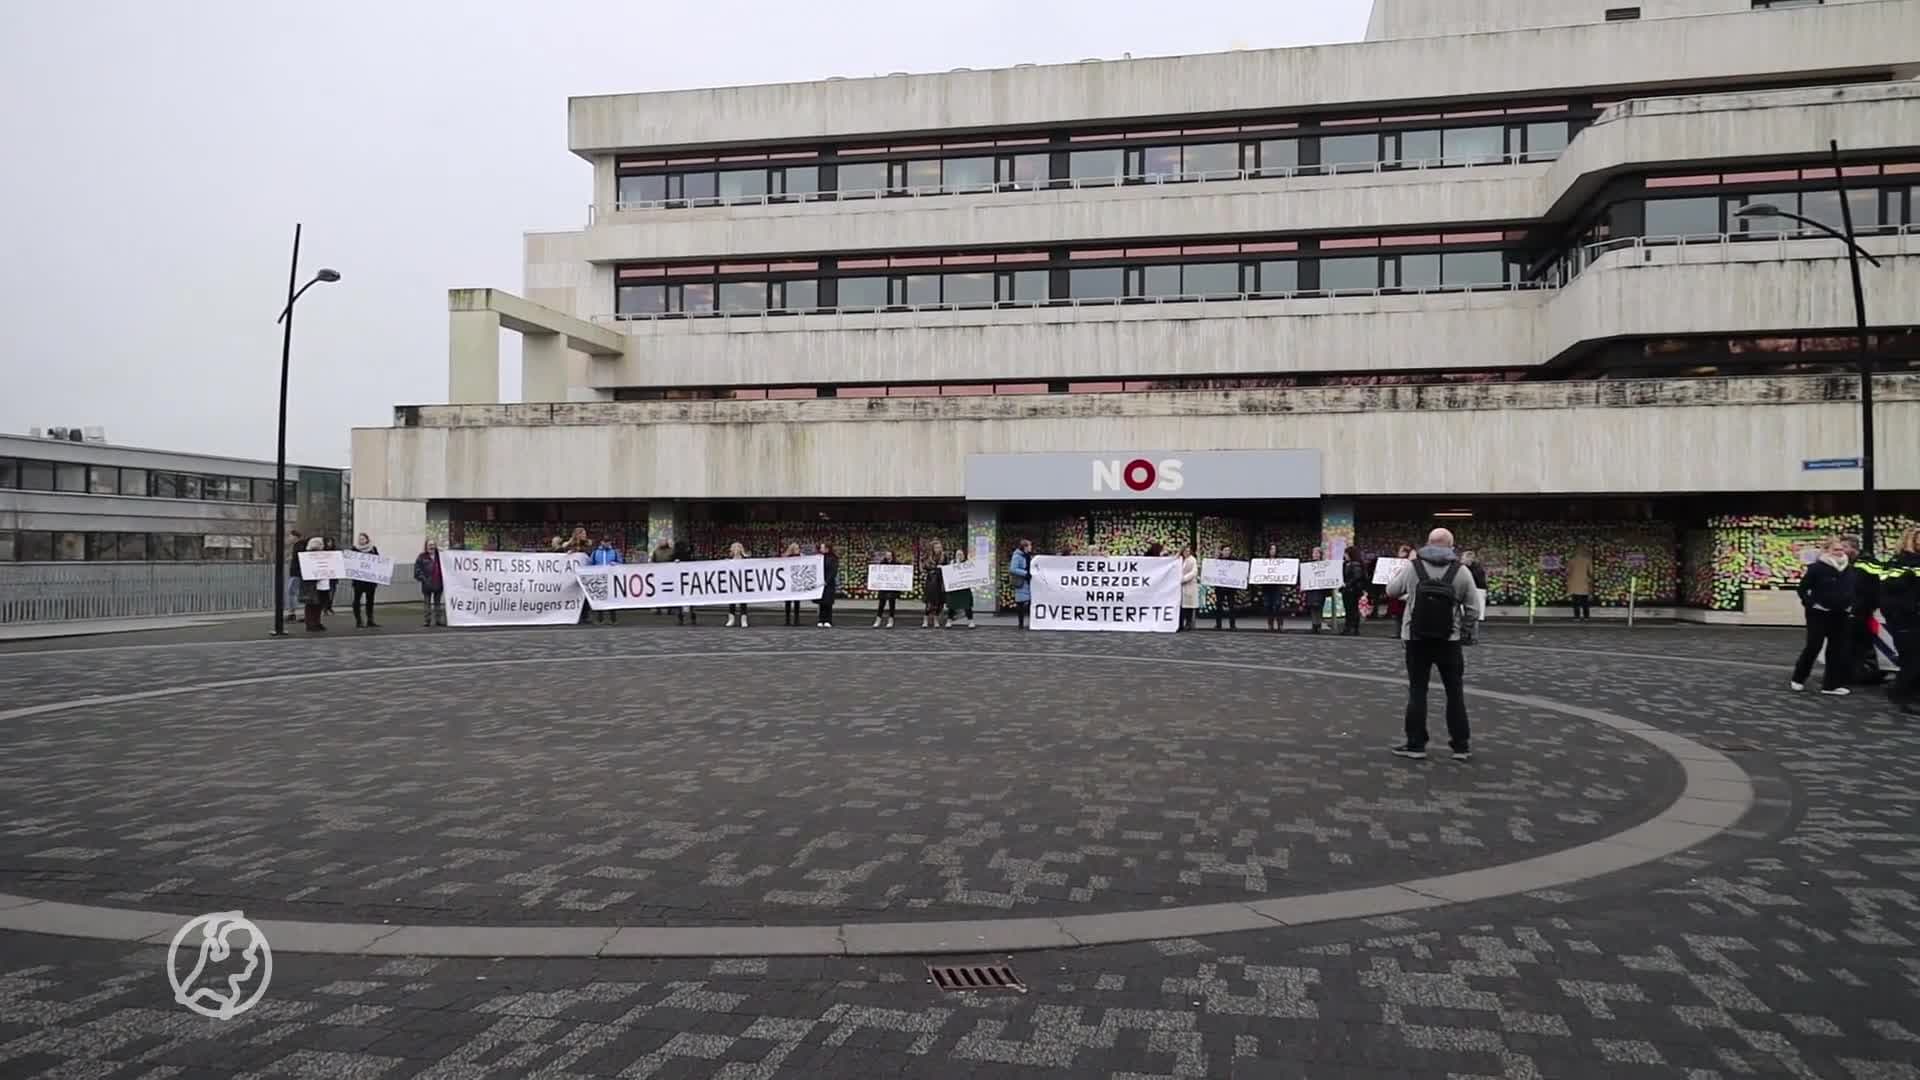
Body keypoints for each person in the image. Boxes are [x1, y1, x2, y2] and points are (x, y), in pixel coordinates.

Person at [1386, 528, 1476, 761]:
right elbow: (1474, 608)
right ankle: (1461, 746)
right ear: (1451, 546)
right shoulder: (1462, 571)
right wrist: (1463, 631)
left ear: (1427, 543)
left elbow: (1391, 591)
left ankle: (1416, 744)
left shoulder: (1413, 568)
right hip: (1449, 640)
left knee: (1418, 691)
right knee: (1455, 692)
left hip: (1416, 639)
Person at [1792, 537, 1857, 695]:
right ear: (1827, 551)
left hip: (1841, 614)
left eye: (1841, 549)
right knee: (1814, 646)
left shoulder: (1849, 569)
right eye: (1836, 549)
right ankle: (1798, 678)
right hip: (1819, 614)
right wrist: (1812, 604)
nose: (1840, 552)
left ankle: (1831, 685)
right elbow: (1802, 589)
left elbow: (1853, 589)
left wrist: (1850, 605)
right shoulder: (1816, 568)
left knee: (1837, 649)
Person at [1880, 527, 1920, 717]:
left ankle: (1908, 693)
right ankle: (1903, 697)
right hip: (1905, 620)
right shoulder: (1898, 563)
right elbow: (1890, 589)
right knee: (1912, 661)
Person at [1840, 535, 1889, 687]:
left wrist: (1861, 607)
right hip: (1856, 610)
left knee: (1861, 644)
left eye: (1844, 548)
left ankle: (1865, 674)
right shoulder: (1851, 564)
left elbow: (1871, 588)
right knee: (1856, 644)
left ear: (1853, 548)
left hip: (1861, 611)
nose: (1841, 551)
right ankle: (1858, 674)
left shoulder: (1866, 564)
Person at [349, 532, 381, 629]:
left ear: (367, 540)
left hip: (370, 580)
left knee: (370, 600)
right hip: (358, 580)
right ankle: (358, 621)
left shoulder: (373, 549)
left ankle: (370, 620)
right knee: (357, 600)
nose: (361, 540)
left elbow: (378, 561)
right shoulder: (354, 549)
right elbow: (351, 562)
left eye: (363, 539)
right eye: (360, 539)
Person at [298, 537, 329, 632]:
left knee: (319, 604)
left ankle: (317, 622)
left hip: (323, 583)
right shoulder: (307, 556)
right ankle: (310, 624)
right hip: (312, 584)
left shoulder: (325, 555)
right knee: (311, 604)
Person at [1460, 549, 1488, 645]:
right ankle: (1471, 637)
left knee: (1472, 614)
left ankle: (1471, 637)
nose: (1462, 560)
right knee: (1474, 615)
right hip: (1479, 591)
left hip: (1476, 591)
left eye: (1463, 558)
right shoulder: (1477, 568)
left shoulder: (1472, 569)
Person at [414, 541, 445, 627]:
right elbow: (417, 570)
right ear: (426, 546)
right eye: (430, 545)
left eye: (433, 545)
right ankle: (427, 620)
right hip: (427, 584)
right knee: (427, 603)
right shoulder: (422, 557)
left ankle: (438, 620)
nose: (431, 547)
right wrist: (424, 579)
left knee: (438, 603)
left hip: (438, 583)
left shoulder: (440, 556)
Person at [1302, 545, 1331, 634]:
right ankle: (1314, 625)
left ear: (1320, 554)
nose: (1314, 554)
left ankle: (1318, 624)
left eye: (1316, 553)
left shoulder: (1324, 564)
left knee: (1319, 606)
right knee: (1312, 607)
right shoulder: (1309, 565)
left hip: (1320, 589)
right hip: (1311, 588)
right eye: (1313, 553)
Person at [921, 540, 948, 628]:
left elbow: (949, 568)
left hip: (941, 581)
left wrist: (943, 567)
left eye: (939, 547)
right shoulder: (929, 557)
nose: (938, 549)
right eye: (936, 547)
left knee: (939, 602)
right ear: (933, 548)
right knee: (929, 601)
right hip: (931, 581)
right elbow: (924, 567)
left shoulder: (944, 557)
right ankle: (925, 619)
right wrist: (934, 568)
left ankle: (936, 619)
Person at [1212, 544, 1239, 630]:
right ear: (1222, 551)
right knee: (1219, 606)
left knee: (1231, 606)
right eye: (1225, 550)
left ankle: (1232, 625)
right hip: (1220, 587)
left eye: (1228, 550)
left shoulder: (1234, 560)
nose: (1227, 552)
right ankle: (1218, 624)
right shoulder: (1218, 560)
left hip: (1231, 587)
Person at [1341, 546, 1366, 636]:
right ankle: (1351, 628)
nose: (1344, 555)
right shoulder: (1348, 564)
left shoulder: (1355, 564)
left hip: (1352, 590)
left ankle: (1351, 628)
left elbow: (1357, 577)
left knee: (1351, 609)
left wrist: (1347, 584)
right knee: (1350, 609)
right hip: (1350, 590)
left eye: (1346, 553)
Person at [1385, 544, 1413, 624]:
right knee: (1398, 612)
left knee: (1402, 611)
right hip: (1398, 589)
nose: (1399, 553)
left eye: (1401, 551)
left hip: (1403, 589)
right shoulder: (1397, 562)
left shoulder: (1409, 564)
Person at [1260, 543, 1286, 632]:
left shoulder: (1280, 561)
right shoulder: (1263, 562)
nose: (1273, 551)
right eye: (1271, 549)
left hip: (1277, 587)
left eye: (1274, 549)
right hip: (1267, 587)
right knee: (1268, 606)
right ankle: (1270, 625)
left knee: (1278, 606)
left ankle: (1280, 625)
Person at [673, 539, 698, 625]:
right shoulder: (688, 555)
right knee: (690, 600)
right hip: (688, 579)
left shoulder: (675, 555)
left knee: (680, 600)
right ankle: (692, 616)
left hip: (680, 580)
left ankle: (681, 618)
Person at [725, 541, 751, 627]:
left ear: (741, 549)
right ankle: (731, 619)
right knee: (732, 601)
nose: (736, 549)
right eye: (734, 547)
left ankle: (743, 619)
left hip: (743, 583)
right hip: (732, 583)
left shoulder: (746, 560)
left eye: (738, 547)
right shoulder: (728, 561)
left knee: (743, 602)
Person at [1009, 539, 1034, 628]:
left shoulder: (1029, 556)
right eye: (1030, 545)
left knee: (1030, 602)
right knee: (1020, 603)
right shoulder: (1017, 556)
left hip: (1029, 581)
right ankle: (1021, 623)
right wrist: (1025, 573)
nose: (1031, 547)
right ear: (1025, 547)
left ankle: (1032, 622)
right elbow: (1013, 569)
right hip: (1021, 581)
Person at [780, 542, 806, 626]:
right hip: (788, 581)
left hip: (797, 581)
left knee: (797, 601)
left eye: (798, 548)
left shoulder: (801, 557)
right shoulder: (787, 558)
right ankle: (787, 619)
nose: (798, 550)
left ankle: (796, 619)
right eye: (796, 549)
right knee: (788, 601)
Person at [815, 542, 839, 627]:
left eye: (822, 547)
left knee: (828, 602)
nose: (821, 549)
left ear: (827, 548)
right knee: (821, 602)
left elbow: (833, 571)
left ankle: (828, 620)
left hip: (829, 583)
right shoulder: (819, 558)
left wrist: (827, 581)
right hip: (821, 582)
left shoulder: (833, 558)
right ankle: (821, 619)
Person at [1566, 546, 1594, 621]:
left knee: (1576, 602)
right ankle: (1586, 617)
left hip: (1574, 583)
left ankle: (1577, 617)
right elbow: (1591, 572)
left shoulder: (1571, 560)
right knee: (1585, 601)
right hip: (1584, 583)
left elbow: (1568, 572)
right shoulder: (1587, 560)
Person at [284, 529, 304, 622]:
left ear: (295, 537)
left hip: (296, 573)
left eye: (290, 536)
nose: (289, 538)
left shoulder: (299, 545)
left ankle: (292, 613)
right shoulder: (297, 546)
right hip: (297, 573)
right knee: (295, 592)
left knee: (291, 592)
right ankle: (294, 613)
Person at [1179, 545, 1199, 631]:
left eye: (1188, 551)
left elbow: (1194, 572)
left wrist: (1183, 579)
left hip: (1189, 585)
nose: (1187, 553)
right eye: (1185, 551)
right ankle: (1180, 624)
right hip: (1179, 587)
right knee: (1181, 607)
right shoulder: (1179, 559)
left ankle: (1188, 623)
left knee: (1188, 606)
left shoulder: (1192, 560)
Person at [318, 537, 339, 614]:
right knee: (325, 592)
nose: (329, 544)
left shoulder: (335, 552)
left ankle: (329, 606)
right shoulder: (322, 551)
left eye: (331, 542)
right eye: (328, 542)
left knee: (332, 592)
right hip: (324, 575)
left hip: (333, 575)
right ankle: (325, 607)